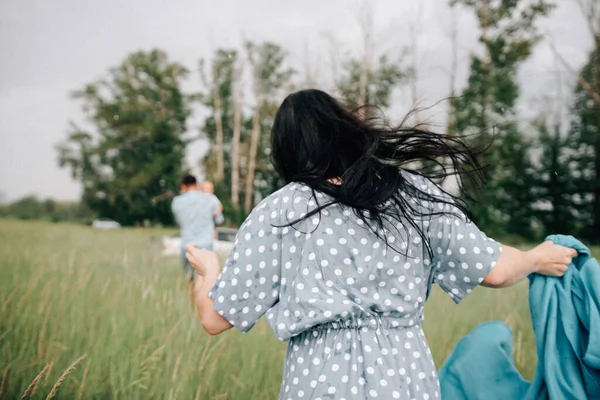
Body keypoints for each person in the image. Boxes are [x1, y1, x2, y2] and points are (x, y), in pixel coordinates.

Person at [185, 89, 576, 400]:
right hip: (406, 375)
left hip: (319, 380)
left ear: (286, 150)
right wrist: (537, 258)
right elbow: (495, 269)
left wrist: (209, 272)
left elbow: (215, 319)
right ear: (343, 131)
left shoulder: (279, 210)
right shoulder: (411, 193)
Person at [171, 174, 222, 280]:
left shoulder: (176, 202)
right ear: (197, 185)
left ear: (183, 186)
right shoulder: (210, 200)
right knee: (206, 282)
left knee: (191, 281)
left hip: (187, 245)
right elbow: (219, 220)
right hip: (205, 245)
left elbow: (178, 221)